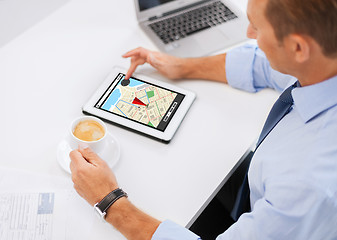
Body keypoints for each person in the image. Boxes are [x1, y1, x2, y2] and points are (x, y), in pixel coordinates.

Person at [69, 0, 337, 239]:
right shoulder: (323, 62)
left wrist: (109, 202)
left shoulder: (309, 186)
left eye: (257, 27)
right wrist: (182, 66)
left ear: (298, 47)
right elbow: (263, 65)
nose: (248, 34)